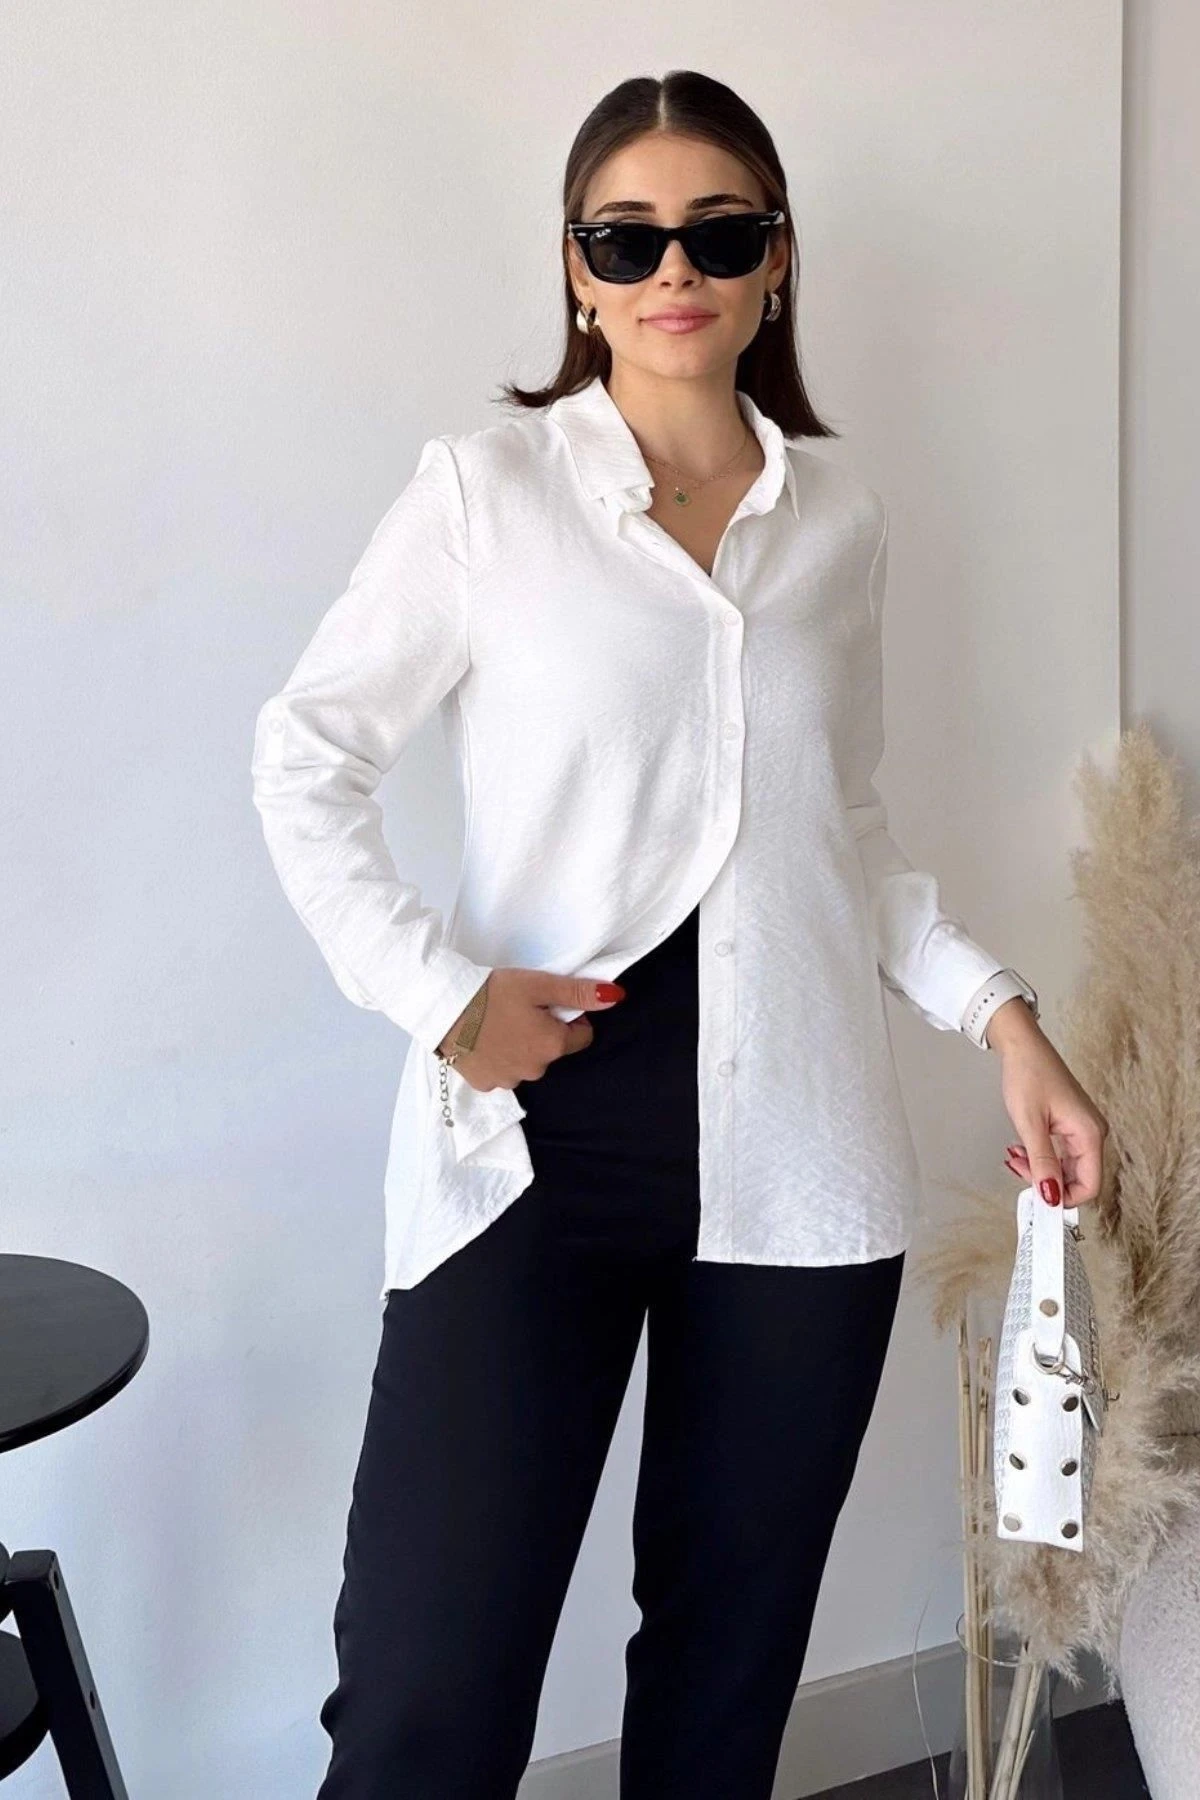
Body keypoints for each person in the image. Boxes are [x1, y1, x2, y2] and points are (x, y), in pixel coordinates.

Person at [250, 67, 1108, 1800]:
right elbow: (305, 754)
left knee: (722, 1693)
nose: (673, 270)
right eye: (625, 237)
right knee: (426, 1695)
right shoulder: (487, 495)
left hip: (800, 1158)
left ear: (776, 259)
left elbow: (843, 832)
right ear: (574, 269)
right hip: (534, 1149)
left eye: (718, 233)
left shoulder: (840, 519)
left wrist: (1005, 1019)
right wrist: (443, 995)